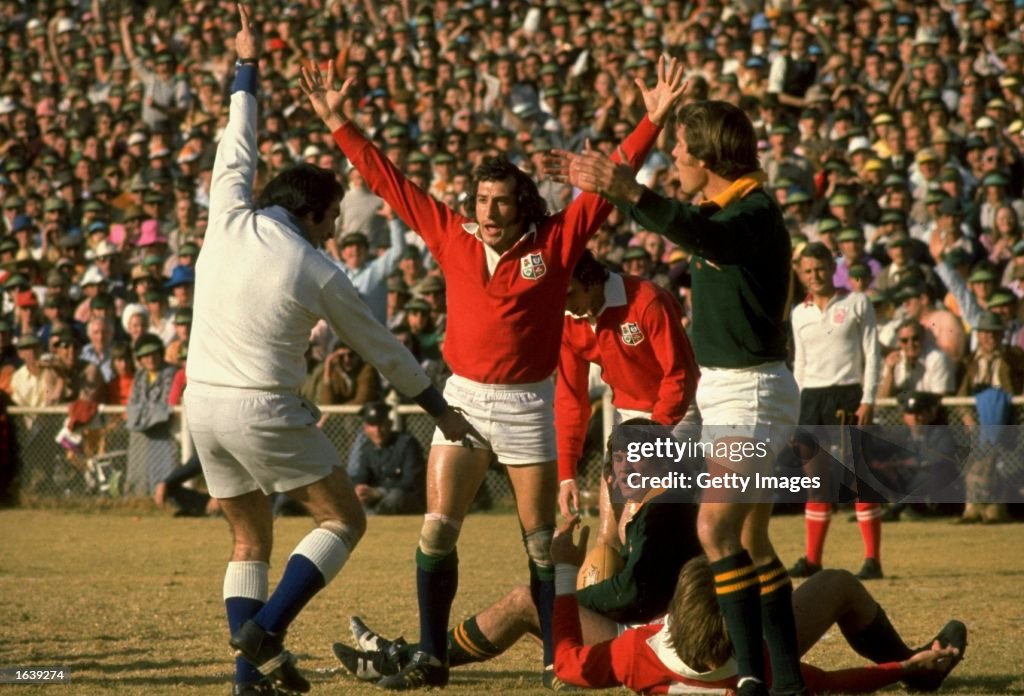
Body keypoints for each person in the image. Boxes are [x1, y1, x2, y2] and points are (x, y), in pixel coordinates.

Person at [299, 55, 687, 689]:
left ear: (522, 205)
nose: (489, 211)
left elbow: (609, 186)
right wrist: (339, 123)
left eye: (501, 202)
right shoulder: (449, 231)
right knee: (436, 530)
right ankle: (430, 654)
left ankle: (551, 656)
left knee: (540, 546)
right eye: (481, 199)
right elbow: (391, 181)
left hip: (529, 406)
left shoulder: (555, 244)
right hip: (464, 403)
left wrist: (652, 117)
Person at [183, 11, 471, 696]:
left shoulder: (226, 217)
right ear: (313, 211)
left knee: (249, 541)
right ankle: (266, 633)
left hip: (199, 405)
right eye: (335, 214)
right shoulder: (316, 269)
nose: (337, 227)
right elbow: (381, 344)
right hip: (261, 406)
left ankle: (247, 681)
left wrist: (247, 67)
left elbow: (237, 143)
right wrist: (435, 405)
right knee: (344, 519)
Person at [549, 99, 805, 696]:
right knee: (748, 539)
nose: (677, 157)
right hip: (730, 391)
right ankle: (786, 680)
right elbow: (687, 224)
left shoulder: (755, 211)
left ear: (710, 153)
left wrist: (629, 191)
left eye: (683, 147)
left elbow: (694, 230)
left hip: (753, 394)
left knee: (715, 530)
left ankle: (747, 677)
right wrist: (619, 186)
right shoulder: (725, 208)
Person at [331, 419, 701, 686]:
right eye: (616, 459)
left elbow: (633, 593)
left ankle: (417, 656)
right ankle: (412, 653)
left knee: (526, 602)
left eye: (632, 457)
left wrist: (567, 597)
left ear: (662, 460)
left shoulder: (664, 509)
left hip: (655, 643)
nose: (621, 468)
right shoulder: (662, 502)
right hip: (653, 634)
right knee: (528, 602)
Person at [549, 523, 967, 695]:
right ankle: (918, 668)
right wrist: (903, 668)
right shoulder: (759, 668)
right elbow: (835, 684)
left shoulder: (637, 654)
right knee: (837, 583)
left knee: (527, 602)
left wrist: (564, 571)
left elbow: (567, 663)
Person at [556, 250, 698, 520]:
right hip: (628, 417)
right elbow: (570, 399)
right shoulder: (567, 319)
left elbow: (680, 375)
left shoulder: (647, 300)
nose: (563, 304)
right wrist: (566, 474)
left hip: (677, 414)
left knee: (646, 518)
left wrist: (650, 441)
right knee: (609, 530)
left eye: (570, 293)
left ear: (592, 281)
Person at [789, 242, 884, 581]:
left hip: (848, 394)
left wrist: (868, 398)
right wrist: (795, 406)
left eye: (820, 269)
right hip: (812, 399)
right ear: (801, 275)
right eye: (808, 271)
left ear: (833, 267)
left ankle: (872, 559)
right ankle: (812, 559)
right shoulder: (799, 313)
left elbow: (872, 353)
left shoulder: (858, 302)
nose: (815, 276)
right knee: (817, 482)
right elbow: (800, 362)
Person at [347, 401, 427, 515]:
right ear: (365, 428)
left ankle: (373, 517)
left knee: (395, 497)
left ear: (390, 424)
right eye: (373, 426)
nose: (377, 431)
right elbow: (361, 475)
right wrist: (359, 489)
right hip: (377, 500)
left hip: (406, 499)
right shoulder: (367, 449)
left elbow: (411, 480)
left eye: (381, 424)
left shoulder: (407, 444)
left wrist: (380, 492)